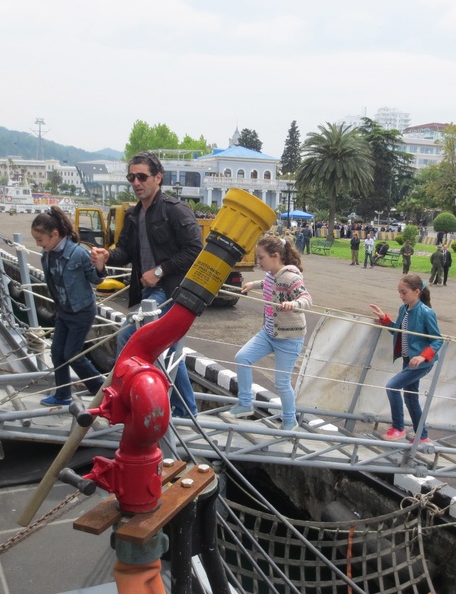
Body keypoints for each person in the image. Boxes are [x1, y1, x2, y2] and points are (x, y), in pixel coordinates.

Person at [90, 151, 202, 418]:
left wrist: (160, 271)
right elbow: (126, 252)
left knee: (131, 335)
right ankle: (187, 411)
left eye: (142, 176)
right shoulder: (133, 214)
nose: (136, 182)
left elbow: (195, 249)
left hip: (173, 292)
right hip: (152, 293)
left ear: (158, 178)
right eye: (132, 177)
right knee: (169, 349)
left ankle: (123, 398)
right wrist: (107, 256)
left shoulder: (175, 210)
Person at [222, 235, 312, 431]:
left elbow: (306, 298)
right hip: (269, 333)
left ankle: (290, 421)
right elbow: (269, 282)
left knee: (282, 382)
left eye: (261, 257)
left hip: (289, 338)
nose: (258, 261)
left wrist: (294, 304)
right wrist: (253, 284)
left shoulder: (290, 277)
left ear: (275, 256)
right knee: (242, 358)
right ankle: (245, 403)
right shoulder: (272, 273)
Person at [32, 206, 105, 406]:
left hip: (81, 311)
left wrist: (99, 265)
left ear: (55, 234)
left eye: (40, 240)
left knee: (72, 354)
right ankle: (63, 394)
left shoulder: (78, 253)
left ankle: (100, 389)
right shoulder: (46, 255)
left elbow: (95, 279)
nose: (39, 244)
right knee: (57, 353)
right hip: (64, 311)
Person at [369, 274, 443, 444]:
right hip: (408, 359)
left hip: (421, 362)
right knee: (410, 397)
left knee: (392, 386)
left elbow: (438, 339)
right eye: (399, 292)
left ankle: (398, 427)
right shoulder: (404, 309)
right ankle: (422, 436)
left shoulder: (426, 312)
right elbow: (399, 331)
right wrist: (385, 320)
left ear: (417, 292)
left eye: (404, 292)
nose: (401, 296)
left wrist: (422, 356)